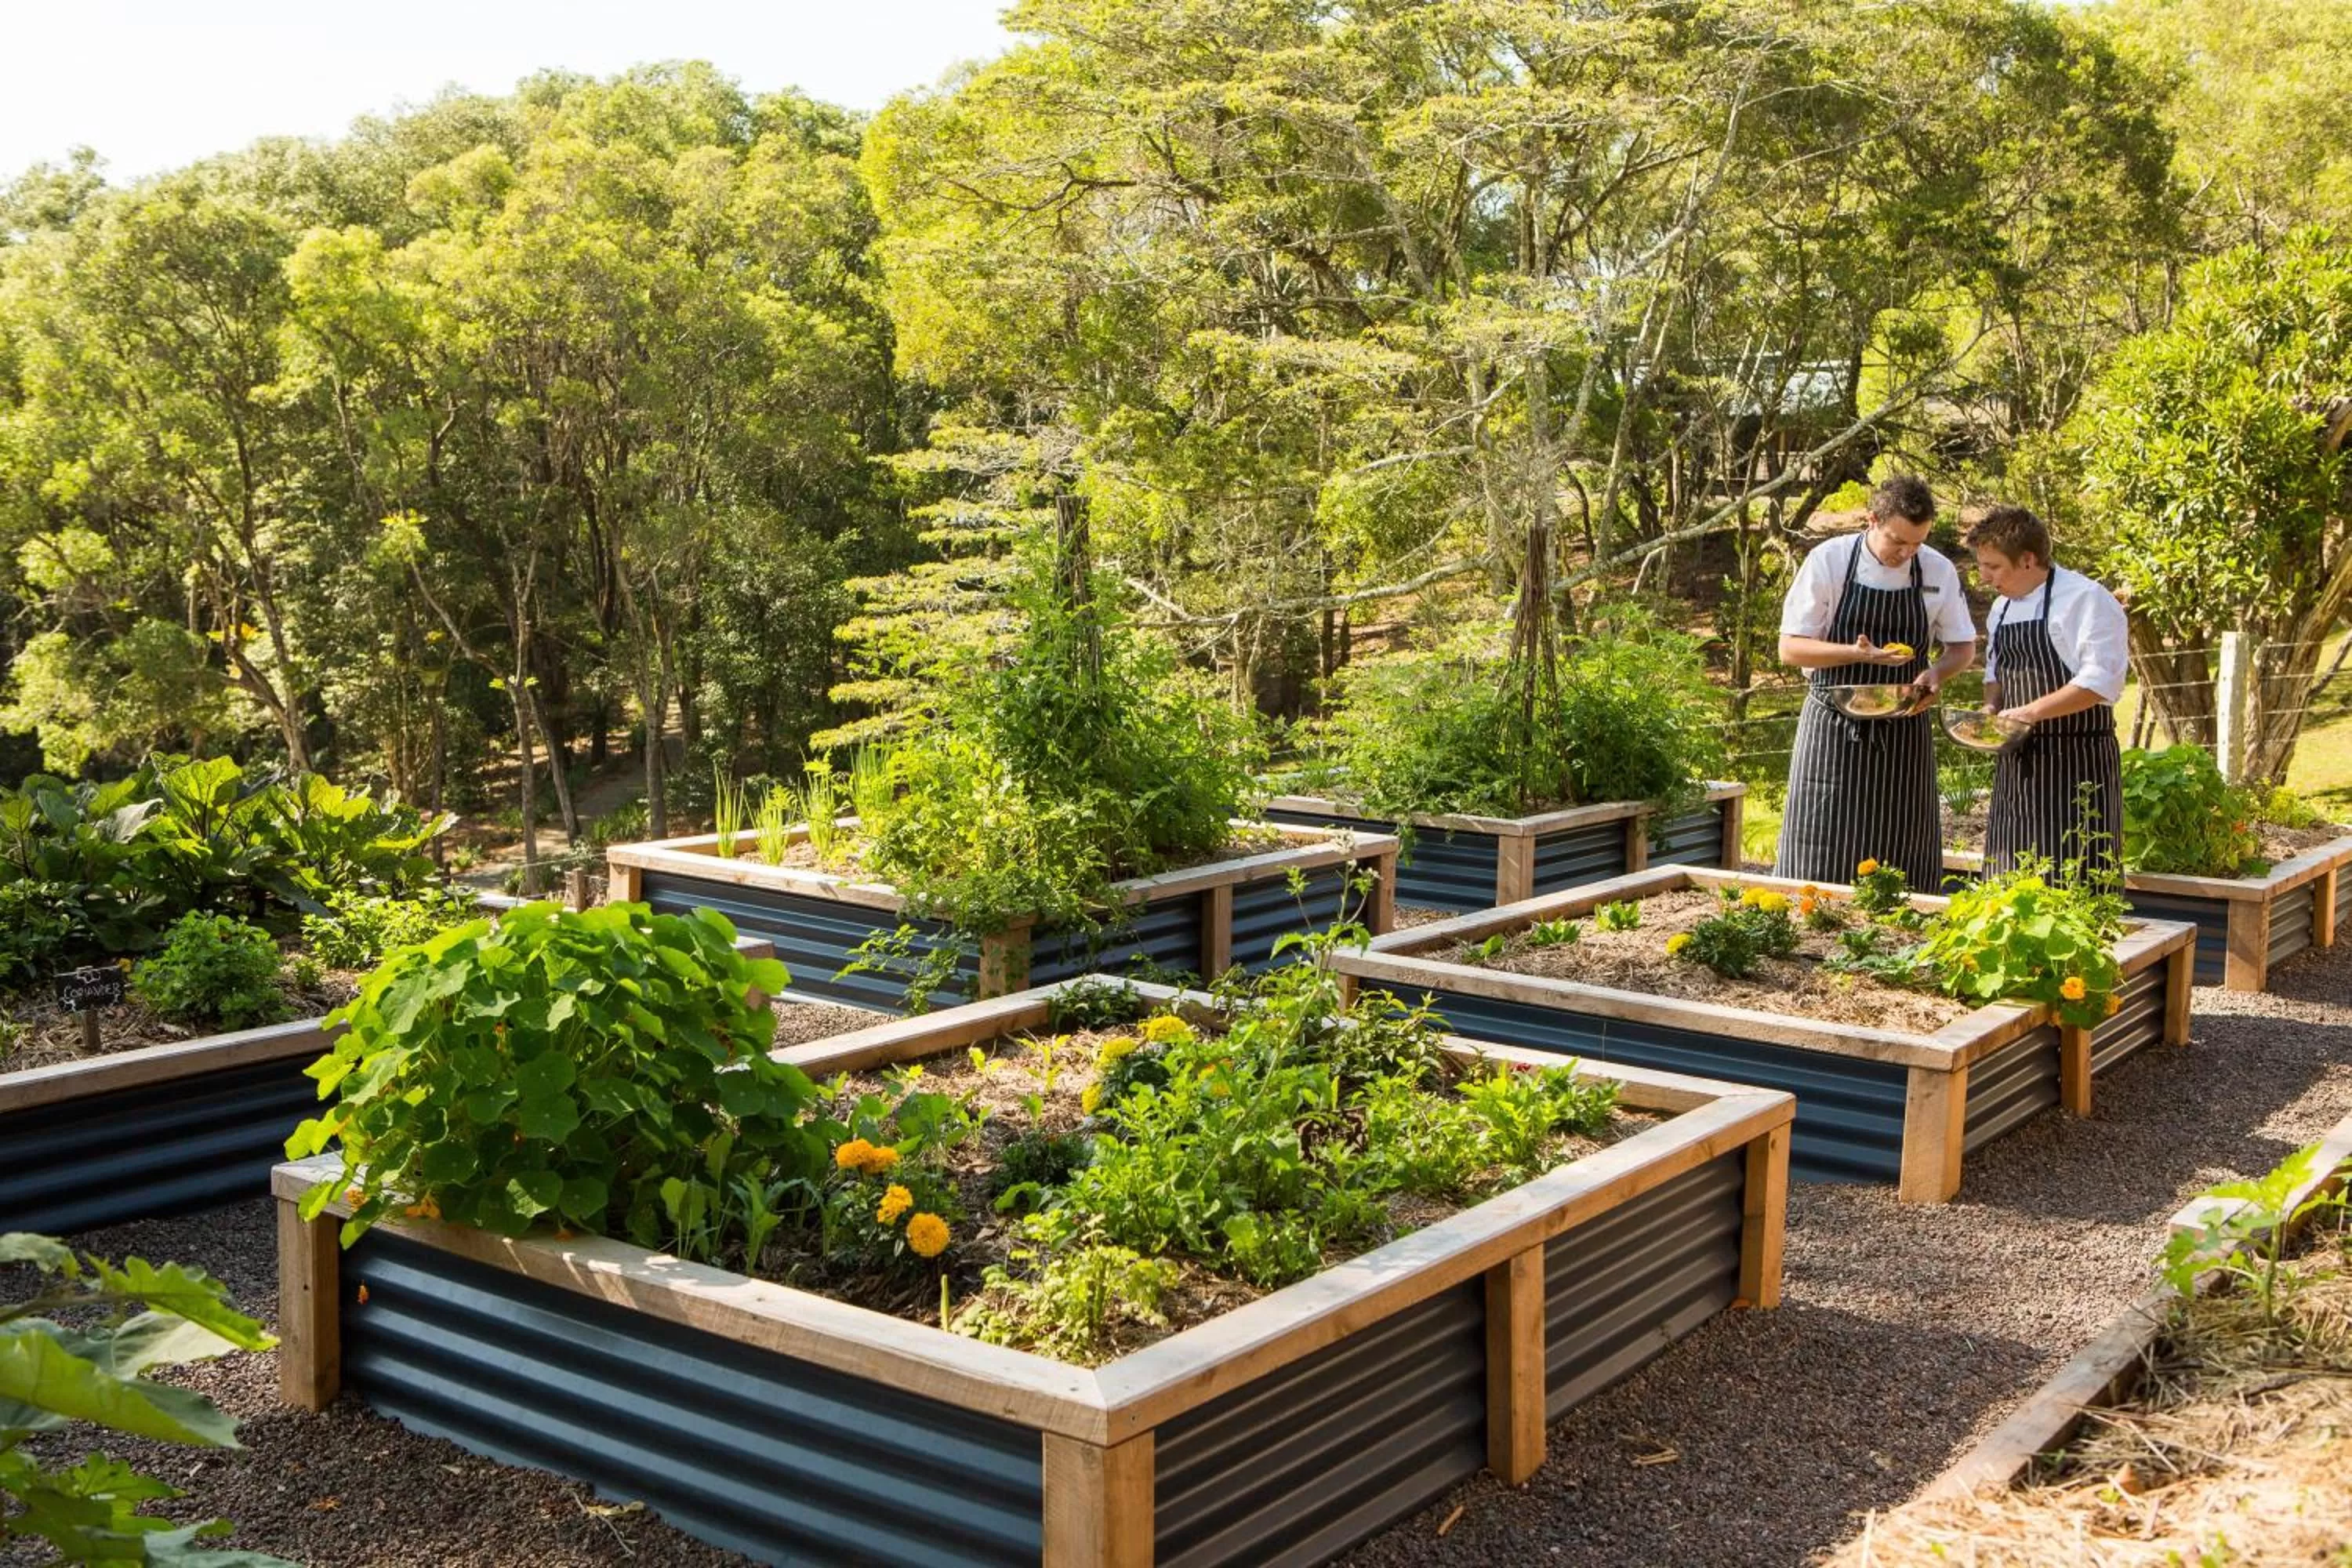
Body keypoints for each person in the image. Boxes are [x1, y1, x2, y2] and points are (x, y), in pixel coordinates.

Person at [1774, 476, 1978, 887]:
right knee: (1821, 842)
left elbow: (1962, 648)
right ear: (1872, 520)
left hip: (1906, 725)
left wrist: (1936, 674)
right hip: (1833, 722)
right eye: (1897, 541)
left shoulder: (1937, 569)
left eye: (1917, 543)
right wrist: (1856, 653)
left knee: (1904, 845)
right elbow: (1791, 648)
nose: (1906, 553)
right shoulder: (1829, 560)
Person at [1964, 503, 2129, 883]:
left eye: (1993, 567)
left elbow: (2098, 682)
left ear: (2027, 560)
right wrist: (1991, 707)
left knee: (2075, 875)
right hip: (2017, 765)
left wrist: (2031, 712)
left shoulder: (2086, 600)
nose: (1985, 577)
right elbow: (1995, 670)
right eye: (1981, 565)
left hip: (2076, 762)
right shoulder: (2001, 608)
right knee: (2009, 877)